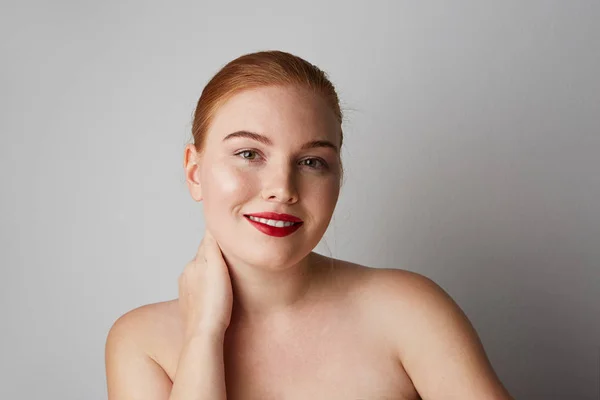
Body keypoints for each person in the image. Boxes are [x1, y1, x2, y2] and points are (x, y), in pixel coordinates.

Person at [105, 50, 514, 400]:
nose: (282, 189)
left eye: (312, 162)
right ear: (195, 172)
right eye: (249, 154)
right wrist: (203, 336)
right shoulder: (142, 343)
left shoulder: (408, 310)